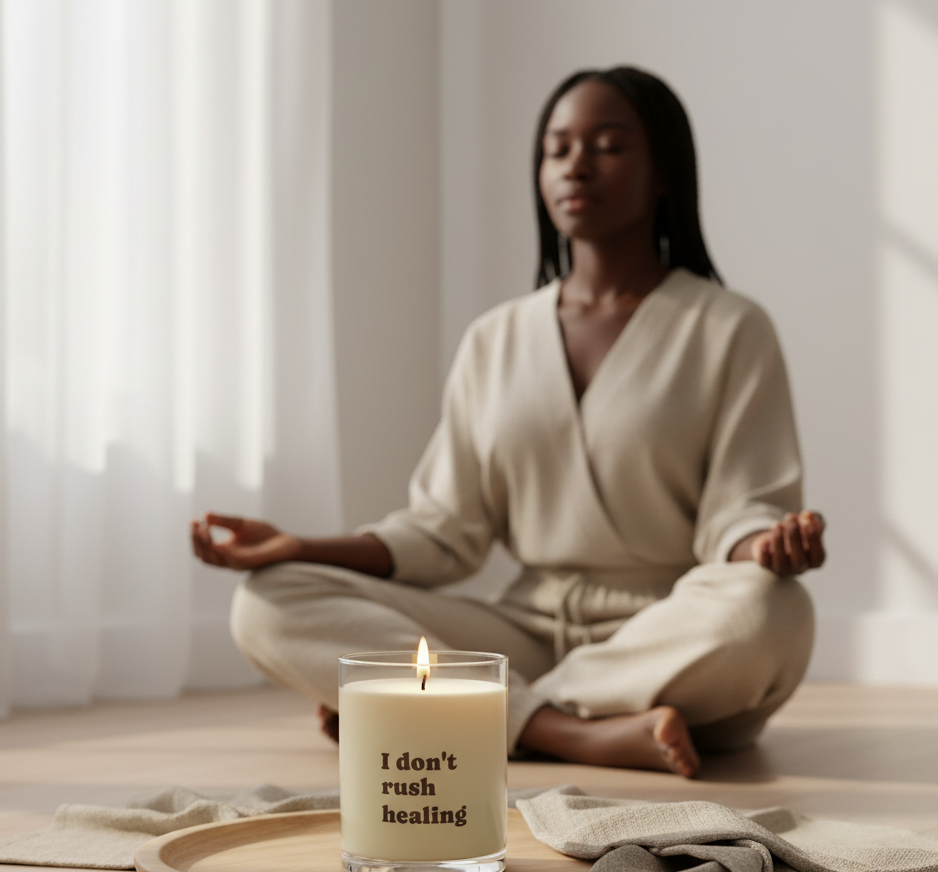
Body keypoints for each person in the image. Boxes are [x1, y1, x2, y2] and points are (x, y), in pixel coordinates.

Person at [191, 66, 825, 779]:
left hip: (669, 633)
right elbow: (442, 533)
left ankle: (444, 711)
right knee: (269, 601)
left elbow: (736, 514)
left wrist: (764, 545)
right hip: (523, 626)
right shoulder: (495, 338)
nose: (576, 163)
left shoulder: (730, 327)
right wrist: (297, 545)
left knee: (771, 613)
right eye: (557, 149)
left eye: (608, 145)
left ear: (663, 174)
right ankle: (568, 731)